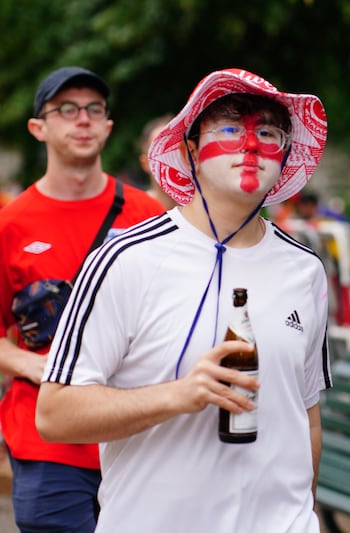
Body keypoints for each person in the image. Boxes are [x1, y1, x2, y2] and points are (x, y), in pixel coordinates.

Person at [36, 68, 331, 532]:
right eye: (231, 128)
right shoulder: (126, 259)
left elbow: (306, 415)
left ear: (287, 154)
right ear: (191, 149)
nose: (251, 145)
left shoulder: (305, 269)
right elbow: (54, 414)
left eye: (269, 132)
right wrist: (176, 396)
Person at [0, 66, 165, 532]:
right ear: (39, 127)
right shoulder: (12, 224)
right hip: (47, 443)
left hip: (136, 437)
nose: (83, 120)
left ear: (109, 126)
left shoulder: (148, 214)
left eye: (95, 109)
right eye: (67, 109)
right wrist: (33, 366)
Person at [138, 114, 177, 209]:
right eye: (160, 150)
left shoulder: (208, 208)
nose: (170, 156)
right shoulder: (135, 210)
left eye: (176, 147)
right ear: (145, 164)